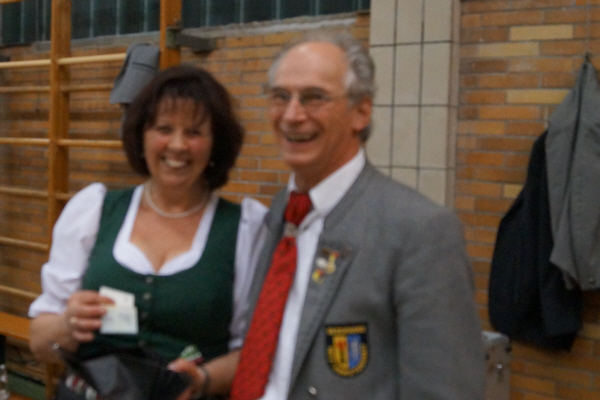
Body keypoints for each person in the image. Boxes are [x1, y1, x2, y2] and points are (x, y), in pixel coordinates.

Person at [229, 31, 485, 400]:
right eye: (280, 96)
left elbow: (445, 391)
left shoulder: (420, 231)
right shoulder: (281, 209)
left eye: (314, 97)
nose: (292, 115)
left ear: (361, 112)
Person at [28, 64, 267, 400]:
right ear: (141, 136)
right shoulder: (94, 210)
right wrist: (67, 324)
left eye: (194, 132)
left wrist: (203, 379)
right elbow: (40, 343)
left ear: (216, 144)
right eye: (163, 129)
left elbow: (256, 353)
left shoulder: (245, 229)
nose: (178, 145)